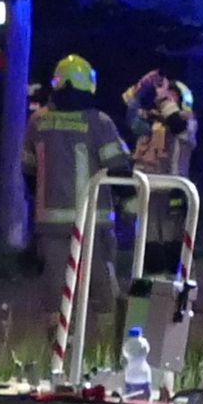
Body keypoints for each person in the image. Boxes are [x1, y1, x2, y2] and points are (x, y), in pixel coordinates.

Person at [25, 55, 120, 256]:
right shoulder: (100, 122)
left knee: (57, 284)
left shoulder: (37, 121)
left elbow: (28, 170)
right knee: (99, 285)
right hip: (94, 224)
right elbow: (120, 170)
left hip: (50, 226)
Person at [119, 66, 195, 179]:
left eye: (171, 96)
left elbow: (176, 123)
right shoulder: (152, 122)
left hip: (173, 189)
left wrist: (163, 97)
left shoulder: (188, 124)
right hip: (144, 188)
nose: (164, 94)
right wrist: (140, 88)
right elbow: (129, 117)